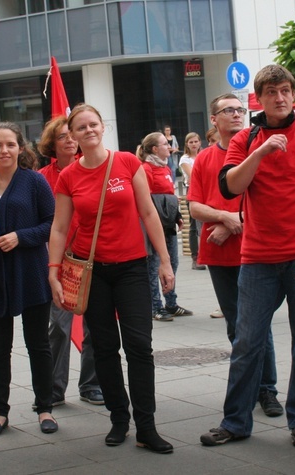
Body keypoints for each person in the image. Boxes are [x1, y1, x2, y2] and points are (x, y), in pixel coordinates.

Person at [200, 64, 295, 448]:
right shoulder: (246, 139)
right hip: (258, 258)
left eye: (284, 91)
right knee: (247, 342)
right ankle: (235, 421)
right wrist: (261, 151)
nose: (279, 98)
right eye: (270, 92)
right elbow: (230, 187)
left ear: (293, 95)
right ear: (259, 98)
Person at [48, 104, 174, 454]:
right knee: (103, 348)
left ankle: (146, 426)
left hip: (133, 268)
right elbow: (59, 228)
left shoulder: (127, 163)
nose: (88, 131)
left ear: (103, 128)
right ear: (71, 136)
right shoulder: (68, 177)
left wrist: (165, 262)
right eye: (81, 127)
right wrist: (53, 272)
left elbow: (148, 213)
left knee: (139, 346)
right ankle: (119, 418)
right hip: (93, 273)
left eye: (94, 124)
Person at [188, 93, 284, 419]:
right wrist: (224, 217)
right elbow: (195, 206)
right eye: (228, 111)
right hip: (217, 255)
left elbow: (269, 201)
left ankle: (267, 390)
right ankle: (253, 388)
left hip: (255, 252)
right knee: (236, 326)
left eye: (240, 110)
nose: (236, 114)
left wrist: (229, 225)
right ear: (214, 120)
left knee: (258, 325)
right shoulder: (203, 159)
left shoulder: (257, 151)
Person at [0, 122, 58, 437]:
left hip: (30, 271)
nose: (4, 151)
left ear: (21, 148)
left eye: (10, 145)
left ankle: (45, 408)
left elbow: (52, 224)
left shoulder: (34, 181)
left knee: (38, 344)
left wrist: (20, 236)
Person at [37, 117, 104, 408]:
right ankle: (53, 389)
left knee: (94, 326)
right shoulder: (42, 177)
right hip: (59, 261)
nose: (69, 140)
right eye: (62, 136)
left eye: (71, 135)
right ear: (52, 143)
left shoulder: (91, 169)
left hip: (91, 257)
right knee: (59, 327)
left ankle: (91, 384)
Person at [137, 132, 193, 322]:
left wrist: (177, 216)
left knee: (172, 264)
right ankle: (156, 306)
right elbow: (147, 201)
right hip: (155, 226)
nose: (168, 147)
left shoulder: (166, 169)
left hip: (167, 224)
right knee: (153, 267)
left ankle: (171, 303)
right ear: (154, 149)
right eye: (164, 144)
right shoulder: (146, 169)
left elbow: (169, 196)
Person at [179, 132, 206, 270]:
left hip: (206, 190)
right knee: (194, 226)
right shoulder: (185, 159)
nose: (194, 144)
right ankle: (196, 258)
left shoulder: (204, 154)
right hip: (192, 191)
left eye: (196, 141)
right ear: (187, 144)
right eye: (191, 142)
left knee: (205, 223)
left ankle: (206, 254)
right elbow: (192, 175)